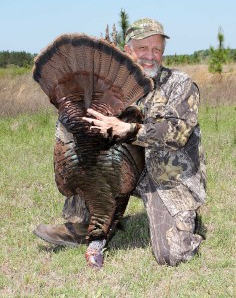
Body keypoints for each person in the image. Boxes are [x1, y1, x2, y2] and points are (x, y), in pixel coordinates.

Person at [34, 18, 206, 266]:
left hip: (166, 175)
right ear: (128, 50)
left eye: (156, 49)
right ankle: (86, 226)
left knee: (171, 255)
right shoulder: (105, 88)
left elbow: (177, 133)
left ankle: (183, 214)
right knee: (81, 140)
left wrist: (129, 129)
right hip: (117, 166)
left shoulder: (180, 85)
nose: (150, 56)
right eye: (143, 48)